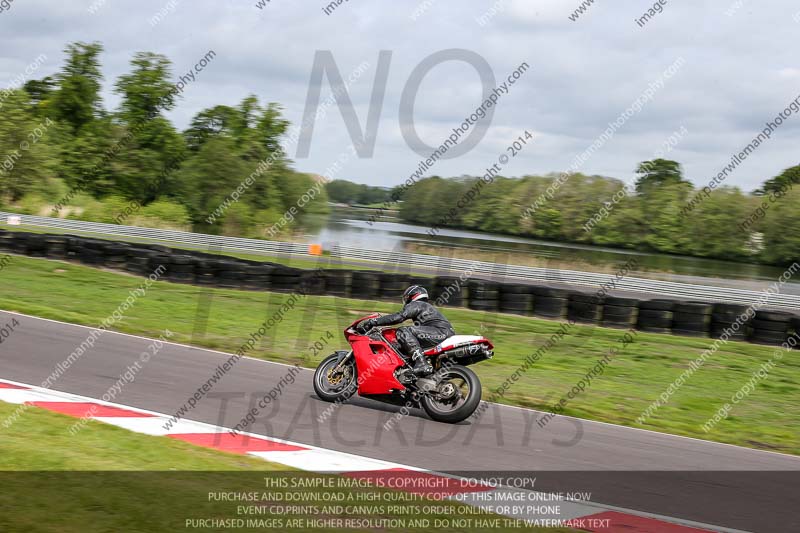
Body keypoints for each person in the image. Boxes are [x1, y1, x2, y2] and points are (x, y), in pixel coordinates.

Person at [356, 285, 455, 376]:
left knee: (403, 332)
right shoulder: (426, 308)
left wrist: (373, 322)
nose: (405, 301)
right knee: (403, 344)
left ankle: (421, 363)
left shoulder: (418, 304)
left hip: (440, 333)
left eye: (406, 298)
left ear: (413, 296)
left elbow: (399, 317)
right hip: (440, 333)